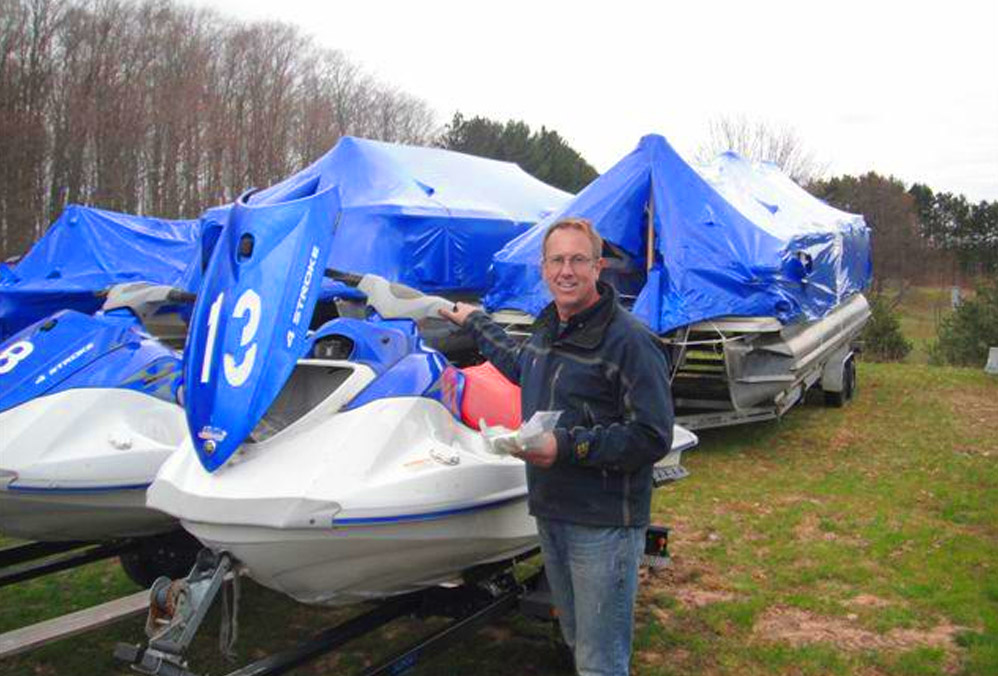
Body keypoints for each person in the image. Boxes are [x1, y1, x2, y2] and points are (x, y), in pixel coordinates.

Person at [439, 217, 674, 676]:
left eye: (578, 260)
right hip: (551, 512)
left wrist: (564, 448)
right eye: (557, 260)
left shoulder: (630, 340)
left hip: (602, 524)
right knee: (574, 641)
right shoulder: (552, 326)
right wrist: (476, 322)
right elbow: (524, 365)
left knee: (600, 660)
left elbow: (651, 435)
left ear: (598, 267)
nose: (567, 270)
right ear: (544, 268)